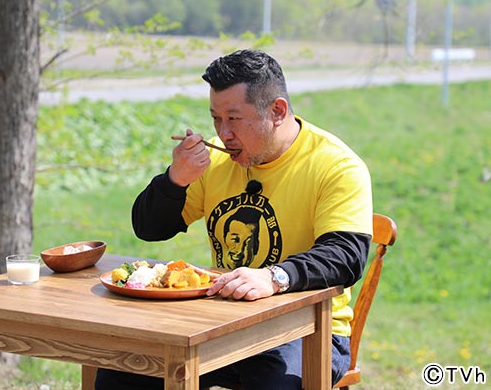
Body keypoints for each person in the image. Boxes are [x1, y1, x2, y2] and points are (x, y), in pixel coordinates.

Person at [95, 49, 373, 390]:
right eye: (215, 118)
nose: (223, 133)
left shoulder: (336, 166)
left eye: (234, 118)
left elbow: (346, 256)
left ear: (277, 111)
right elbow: (149, 229)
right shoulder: (215, 161)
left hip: (310, 330)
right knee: (124, 369)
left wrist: (275, 277)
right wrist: (174, 180)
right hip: (223, 322)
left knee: (272, 383)